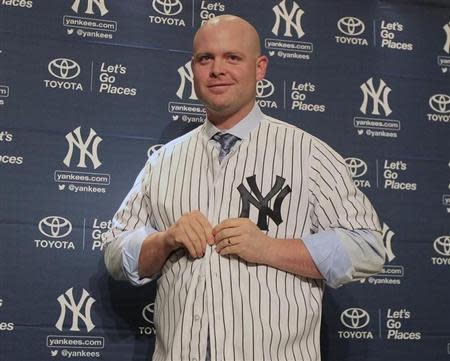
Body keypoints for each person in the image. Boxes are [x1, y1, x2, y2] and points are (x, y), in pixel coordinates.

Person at [104, 15, 384, 361]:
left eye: (232, 58)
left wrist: (268, 249)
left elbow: (368, 247)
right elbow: (116, 254)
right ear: (193, 69)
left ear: (260, 67)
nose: (217, 69)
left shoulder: (307, 153)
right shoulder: (163, 161)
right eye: (205, 59)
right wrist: (165, 240)